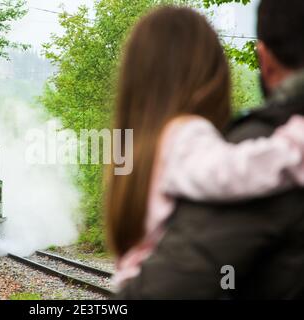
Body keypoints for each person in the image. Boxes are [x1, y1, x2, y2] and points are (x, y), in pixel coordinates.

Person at [109, 2, 304, 299]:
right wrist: (290, 147)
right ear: (210, 74)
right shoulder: (187, 133)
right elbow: (230, 174)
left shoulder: (144, 142)